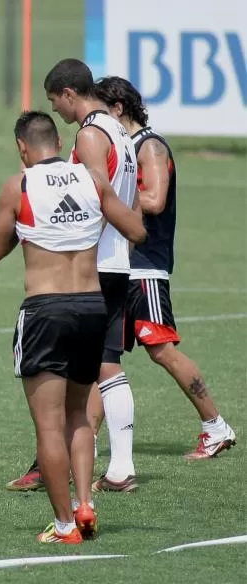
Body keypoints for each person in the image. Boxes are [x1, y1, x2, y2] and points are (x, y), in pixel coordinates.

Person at [0, 111, 146, 543]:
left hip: (45, 310)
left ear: (22, 147)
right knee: (78, 415)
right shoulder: (92, 180)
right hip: (92, 307)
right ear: (59, 141)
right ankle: (84, 506)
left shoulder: (19, 185)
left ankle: (63, 526)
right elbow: (136, 229)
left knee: (48, 426)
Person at [6, 58, 140, 492]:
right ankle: (100, 467)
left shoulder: (90, 132)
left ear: (68, 94)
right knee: (100, 365)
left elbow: (91, 196)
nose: (57, 110)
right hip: (115, 257)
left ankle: (83, 468)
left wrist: (59, 231)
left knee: (83, 374)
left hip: (90, 263)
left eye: (54, 101)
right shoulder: (121, 128)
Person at [93, 76, 237, 466]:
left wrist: (103, 193)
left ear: (118, 109)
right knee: (103, 359)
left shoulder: (150, 146)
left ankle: (216, 426)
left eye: (100, 111)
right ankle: (83, 443)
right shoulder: (124, 148)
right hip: (122, 266)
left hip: (146, 268)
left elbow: (154, 200)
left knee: (162, 349)